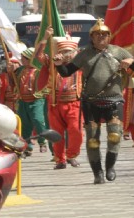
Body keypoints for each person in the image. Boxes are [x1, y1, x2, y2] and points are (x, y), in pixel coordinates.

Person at [54, 19, 134, 184]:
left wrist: (131, 61)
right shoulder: (84, 54)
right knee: (93, 141)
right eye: (97, 34)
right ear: (92, 37)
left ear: (109, 36)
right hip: (91, 101)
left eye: (104, 34)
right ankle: (97, 173)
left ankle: (110, 167)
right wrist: (59, 64)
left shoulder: (119, 51)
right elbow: (66, 72)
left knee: (115, 136)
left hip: (114, 100)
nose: (101, 37)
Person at [38, 28, 83, 170]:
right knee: (56, 134)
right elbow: (38, 55)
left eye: (70, 52)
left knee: (76, 130)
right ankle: (60, 160)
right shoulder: (51, 63)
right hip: (55, 103)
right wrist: (45, 37)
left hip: (74, 103)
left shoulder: (80, 65)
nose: (67, 56)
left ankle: (72, 155)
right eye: (64, 52)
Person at [15, 48, 48, 157]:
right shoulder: (20, 70)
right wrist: (10, 71)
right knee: (24, 125)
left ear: (29, 58)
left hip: (36, 100)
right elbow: (12, 81)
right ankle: (27, 147)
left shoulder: (38, 70)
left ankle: (42, 142)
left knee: (38, 120)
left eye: (23, 58)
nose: (21, 60)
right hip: (23, 100)